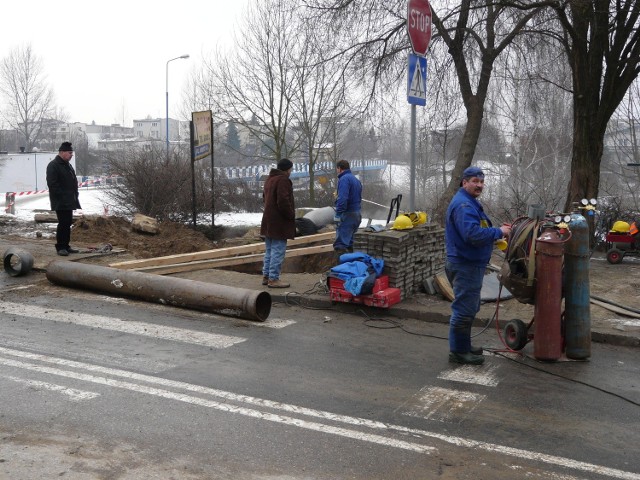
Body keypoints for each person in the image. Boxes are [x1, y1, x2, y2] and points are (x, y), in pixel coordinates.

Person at [445, 166, 511, 365]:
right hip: (465, 265)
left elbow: (478, 229)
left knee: (469, 307)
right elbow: (472, 234)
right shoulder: (464, 206)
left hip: (470, 264)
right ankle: (458, 352)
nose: (479, 185)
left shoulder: (469, 202)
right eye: (475, 181)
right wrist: (498, 232)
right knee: (463, 309)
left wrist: (495, 233)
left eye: (481, 182)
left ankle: (463, 346)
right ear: (464, 182)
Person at [260, 158, 295, 288]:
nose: (291, 171)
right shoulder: (283, 180)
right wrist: (291, 215)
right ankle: (273, 279)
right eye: (291, 169)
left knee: (269, 250)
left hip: (268, 220)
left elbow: (264, 198)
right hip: (279, 222)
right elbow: (283, 201)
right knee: (278, 250)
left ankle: (266, 276)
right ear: (287, 169)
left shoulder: (269, 179)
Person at [46, 142, 81, 256]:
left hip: (69, 200)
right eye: (69, 153)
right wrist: (63, 196)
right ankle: (60, 247)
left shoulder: (67, 165)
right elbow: (53, 184)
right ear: (62, 152)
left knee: (68, 223)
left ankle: (66, 245)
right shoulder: (53, 165)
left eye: (72, 153)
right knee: (63, 223)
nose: (71, 155)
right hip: (60, 201)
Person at [333, 159, 362, 255]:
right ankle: (350, 266)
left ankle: (341, 268)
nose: (337, 171)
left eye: (337, 169)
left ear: (340, 168)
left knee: (340, 245)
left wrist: (338, 214)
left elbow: (343, 199)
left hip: (348, 214)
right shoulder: (356, 180)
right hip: (357, 214)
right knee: (350, 243)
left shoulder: (344, 179)